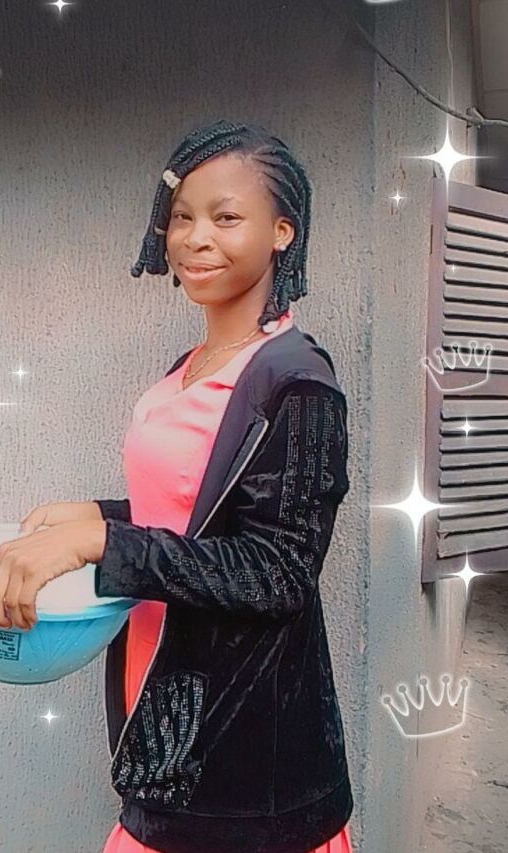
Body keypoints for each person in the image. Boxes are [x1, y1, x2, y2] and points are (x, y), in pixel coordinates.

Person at [92, 119, 355, 853]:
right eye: (182, 217)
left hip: (245, 749)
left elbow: (278, 571)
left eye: (226, 217)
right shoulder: (190, 366)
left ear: (281, 232)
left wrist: (103, 542)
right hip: (164, 695)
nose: (195, 238)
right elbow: (195, 514)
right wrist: (90, 517)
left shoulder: (297, 383)